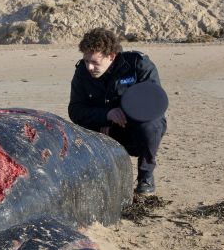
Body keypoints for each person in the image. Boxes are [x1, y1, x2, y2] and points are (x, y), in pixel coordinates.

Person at [68, 28, 167, 194]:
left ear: (111, 56)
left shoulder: (138, 65)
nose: (90, 67)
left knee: (152, 124)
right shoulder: (82, 73)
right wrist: (106, 116)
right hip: (103, 130)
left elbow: (153, 104)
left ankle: (146, 177)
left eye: (94, 62)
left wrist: (121, 112)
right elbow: (75, 110)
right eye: (86, 61)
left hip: (136, 130)